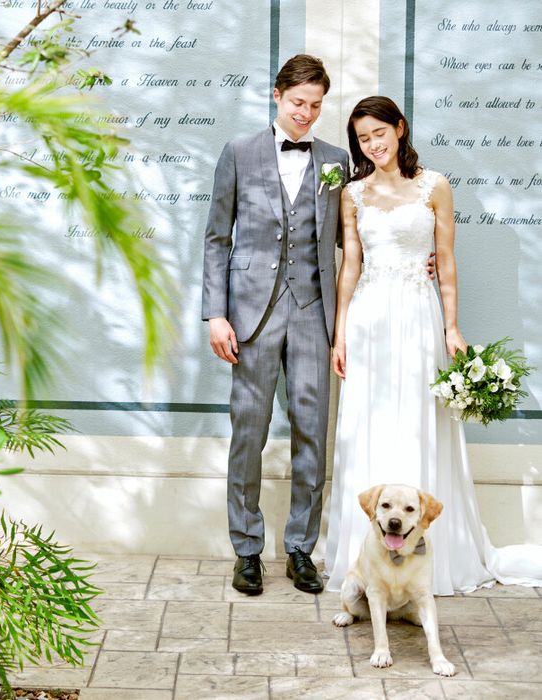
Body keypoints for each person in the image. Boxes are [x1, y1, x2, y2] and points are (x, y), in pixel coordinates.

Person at [325, 96, 542, 595]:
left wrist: (452, 327)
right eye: (362, 138)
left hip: (420, 317)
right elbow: (350, 267)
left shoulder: (435, 186)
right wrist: (340, 334)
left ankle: (429, 562)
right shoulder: (352, 193)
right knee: (368, 423)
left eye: (379, 133)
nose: (373, 144)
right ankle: (366, 560)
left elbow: (445, 261)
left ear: (399, 129)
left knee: (420, 420)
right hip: (369, 320)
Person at [201, 55, 349, 595]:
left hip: (313, 311)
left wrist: (415, 255)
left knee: (312, 431)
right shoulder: (239, 152)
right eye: (298, 103)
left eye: (315, 105)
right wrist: (216, 314)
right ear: (277, 95)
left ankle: (301, 548)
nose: (306, 113)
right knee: (249, 431)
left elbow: (351, 240)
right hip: (251, 315)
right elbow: (217, 238)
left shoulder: (336, 161)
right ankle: (247, 549)